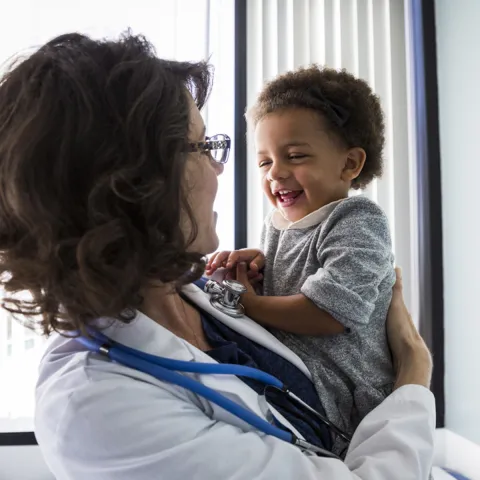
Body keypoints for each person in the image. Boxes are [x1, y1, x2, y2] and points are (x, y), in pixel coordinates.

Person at [0, 32, 434, 479]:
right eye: (202, 146)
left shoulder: (195, 295)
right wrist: (413, 378)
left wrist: (258, 283)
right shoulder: (98, 409)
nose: (219, 165)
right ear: (135, 180)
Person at [207, 66, 396, 453]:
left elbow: (329, 312)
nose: (276, 173)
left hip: (344, 400)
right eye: (264, 162)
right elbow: (296, 268)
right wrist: (258, 265)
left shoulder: (358, 220)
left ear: (349, 165)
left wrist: (249, 302)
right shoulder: (277, 225)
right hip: (303, 378)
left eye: (294, 156)